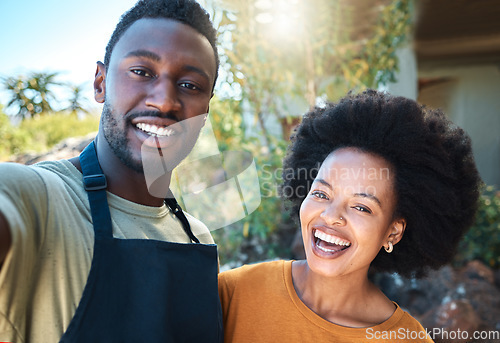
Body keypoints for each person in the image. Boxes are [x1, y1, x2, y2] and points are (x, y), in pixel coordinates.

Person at [0, 0, 223, 341]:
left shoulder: (197, 237)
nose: (164, 101)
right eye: (142, 72)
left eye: (190, 85)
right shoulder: (40, 199)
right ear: (100, 83)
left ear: (205, 109)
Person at [218, 90, 482, 342]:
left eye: (361, 207)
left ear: (393, 231)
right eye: (321, 194)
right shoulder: (234, 294)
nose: (332, 216)